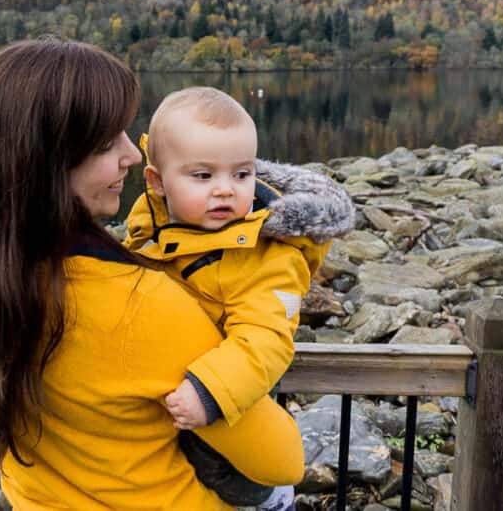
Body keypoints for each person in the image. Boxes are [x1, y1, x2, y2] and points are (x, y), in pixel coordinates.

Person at [0, 38, 337, 509]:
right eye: (106, 142)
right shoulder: (140, 303)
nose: (132, 156)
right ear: (48, 161)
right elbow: (281, 462)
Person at [123, 86, 354, 507]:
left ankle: (269, 501)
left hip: (225, 400)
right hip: (166, 392)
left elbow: (265, 337)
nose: (226, 189)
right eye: (203, 176)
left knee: (232, 481)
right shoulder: (150, 226)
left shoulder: (266, 257)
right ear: (157, 182)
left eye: (242, 174)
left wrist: (209, 392)